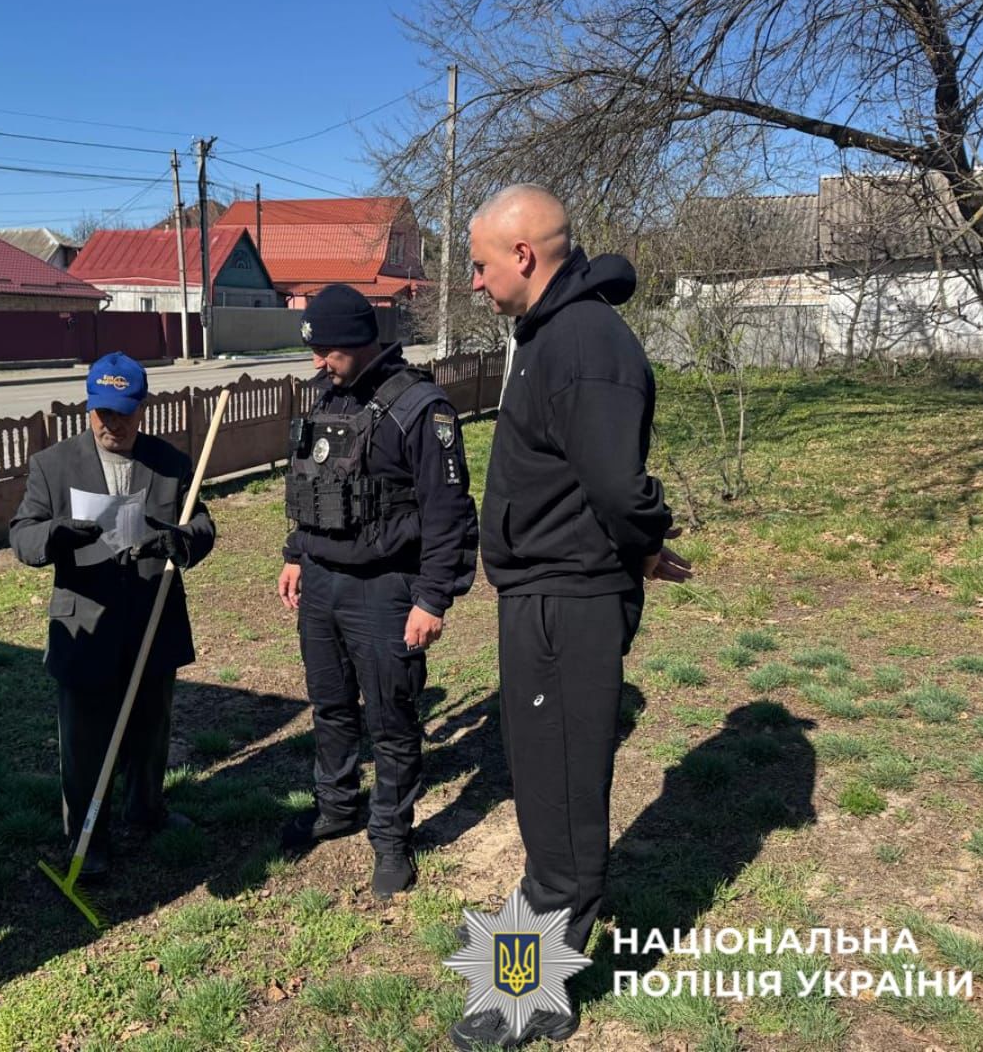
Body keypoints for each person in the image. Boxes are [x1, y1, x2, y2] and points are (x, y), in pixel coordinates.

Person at [451, 184, 692, 1050]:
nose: (474, 283)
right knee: (545, 788)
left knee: (559, 798)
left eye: (479, 265)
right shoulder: (555, 333)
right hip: (546, 594)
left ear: (523, 256)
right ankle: (537, 939)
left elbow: (619, 487)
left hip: (568, 601)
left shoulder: (585, 342)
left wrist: (641, 544)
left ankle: (528, 991)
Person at [277, 284, 478, 899]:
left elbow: (449, 513)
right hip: (322, 581)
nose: (317, 362)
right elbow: (312, 479)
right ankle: (337, 807)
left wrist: (432, 598)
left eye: (328, 351)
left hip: (388, 589)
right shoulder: (326, 394)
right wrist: (294, 553)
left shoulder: (420, 408)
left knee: (391, 719)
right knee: (331, 704)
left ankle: (391, 839)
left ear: (361, 342)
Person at [9, 351, 215, 880]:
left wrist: (176, 540)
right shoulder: (53, 466)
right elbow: (22, 534)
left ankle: (146, 810)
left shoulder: (169, 463)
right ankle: (87, 836)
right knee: (84, 738)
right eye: (103, 412)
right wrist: (55, 536)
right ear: (88, 406)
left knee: (151, 726)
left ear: (142, 407)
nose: (112, 424)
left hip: (152, 618)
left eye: (124, 412)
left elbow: (203, 528)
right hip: (86, 622)